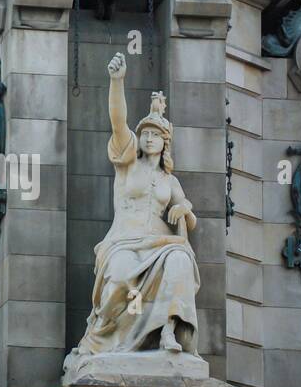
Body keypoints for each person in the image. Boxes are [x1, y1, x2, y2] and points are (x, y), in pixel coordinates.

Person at [68, 52, 201, 363]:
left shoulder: (170, 180)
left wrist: (186, 209)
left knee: (180, 260)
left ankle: (167, 329)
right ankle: (103, 337)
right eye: (146, 134)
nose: (150, 138)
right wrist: (117, 81)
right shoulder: (127, 164)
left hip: (161, 244)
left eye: (156, 135)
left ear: (166, 142)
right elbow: (118, 122)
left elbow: (187, 216)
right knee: (118, 279)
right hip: (124, 242)